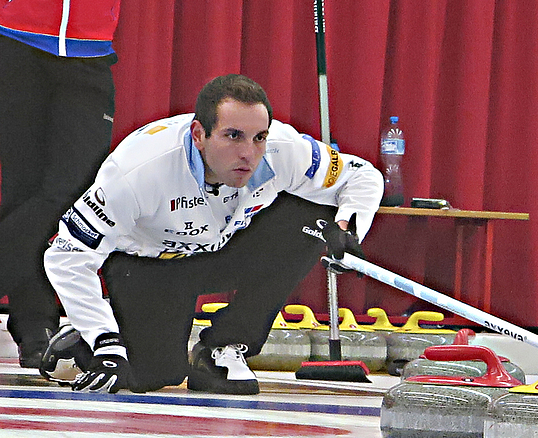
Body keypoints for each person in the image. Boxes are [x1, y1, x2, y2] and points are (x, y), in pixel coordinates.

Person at [41, 74, 383, 395]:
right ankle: (92, 334)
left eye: (259, 137)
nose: (249, 153)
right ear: (198, 134)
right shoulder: (136, 171)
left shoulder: (283, 149)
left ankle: (225, 346)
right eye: (233, 136)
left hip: (226, 248)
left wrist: (348, 229)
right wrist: (105, 341)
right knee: (154, 375)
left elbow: (362, 176)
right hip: (151, 265)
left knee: (317, 214)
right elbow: (66, 256)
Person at [0, 1, 121, 367]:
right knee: (24, 190)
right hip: (14, 38)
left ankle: (36, 325)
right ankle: (35, 326)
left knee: (72, 191)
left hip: (89, 47)